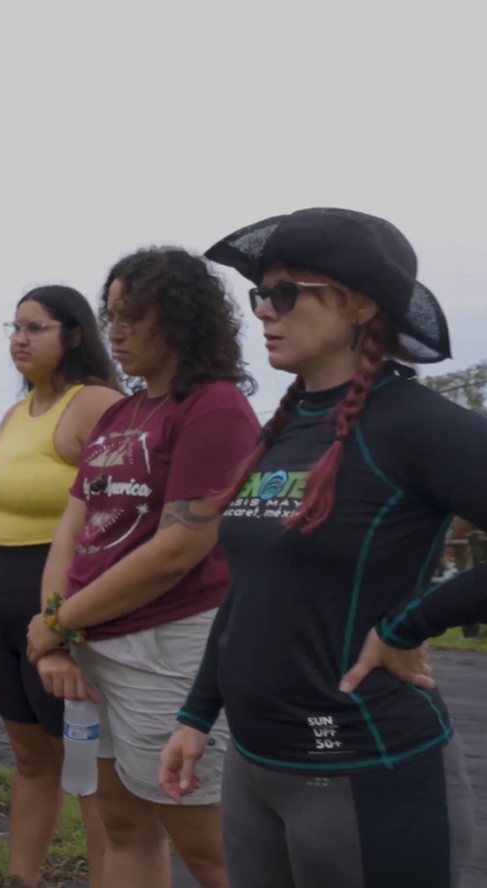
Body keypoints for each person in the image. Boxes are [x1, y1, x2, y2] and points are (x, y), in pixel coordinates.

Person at [158, 209, 474, 887]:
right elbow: (251, 588)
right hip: (255, 767)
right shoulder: (287, 428)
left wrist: (408, 625)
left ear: (361, 303)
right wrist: (197, 715)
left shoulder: (415, 425)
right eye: (260, 294)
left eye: (286, 293)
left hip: (365, 769)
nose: (263, 311)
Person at [25, 248, 259, 888]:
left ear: (180, 318)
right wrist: (58, 630)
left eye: (134, 314)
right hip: (94, 646)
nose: (117, 330)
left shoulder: (214, 406)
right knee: (124, 828)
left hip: (169, 647)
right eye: (111, 315)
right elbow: (73, 530)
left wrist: (59, 622)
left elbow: (180, 548)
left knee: (211, 848)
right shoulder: (120, 414)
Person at [0, 286, 120, 888]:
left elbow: (119, 521)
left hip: (59, 608)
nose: (20, 339)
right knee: (31, 758)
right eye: (15, 327)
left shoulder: (96, 404)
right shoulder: (15, 415)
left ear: (74, 335)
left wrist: (65, 623)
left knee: (93, 771)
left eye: (36, 327)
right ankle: (20, 880)